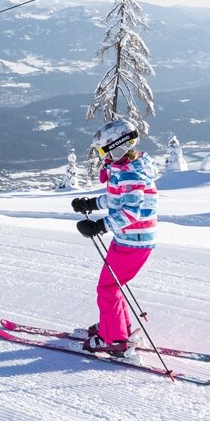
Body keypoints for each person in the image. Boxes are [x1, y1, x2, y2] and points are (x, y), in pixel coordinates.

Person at [70, 119, 157, 355]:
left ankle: (115, 341)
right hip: (130, 240)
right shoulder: (126, 169)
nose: (101, 155)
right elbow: (117, 199)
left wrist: (100, 226)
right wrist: (92, 203)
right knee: (112, 286)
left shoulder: (131, 173)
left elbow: (131, 212)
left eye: (102, 150)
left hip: (133, 242)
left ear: (116, 146)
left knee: (107, 288)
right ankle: (115, 326)